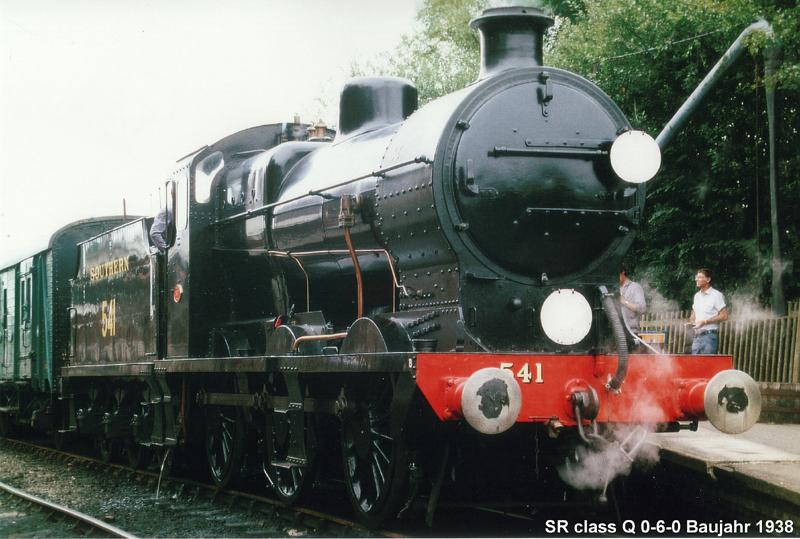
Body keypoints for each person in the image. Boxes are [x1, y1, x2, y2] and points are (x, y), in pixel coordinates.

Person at [689, 268, 728, 354]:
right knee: (695, 365)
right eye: (696, 277)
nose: (696, 279)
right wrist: (691, 322)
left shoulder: (716, 295)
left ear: (708, 279)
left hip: (709, 337)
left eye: (699, 277)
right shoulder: (697, 296)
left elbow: (724, 316)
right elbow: (694, 313)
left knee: (707, 365)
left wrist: (705, 321)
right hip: (696, 337)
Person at [619, 264, 646, 334]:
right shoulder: (613, 289)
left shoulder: (635, 287)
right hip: (617, 332)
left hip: (631, 332)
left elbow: (642, 308)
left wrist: (625, 302)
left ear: (623, 273)